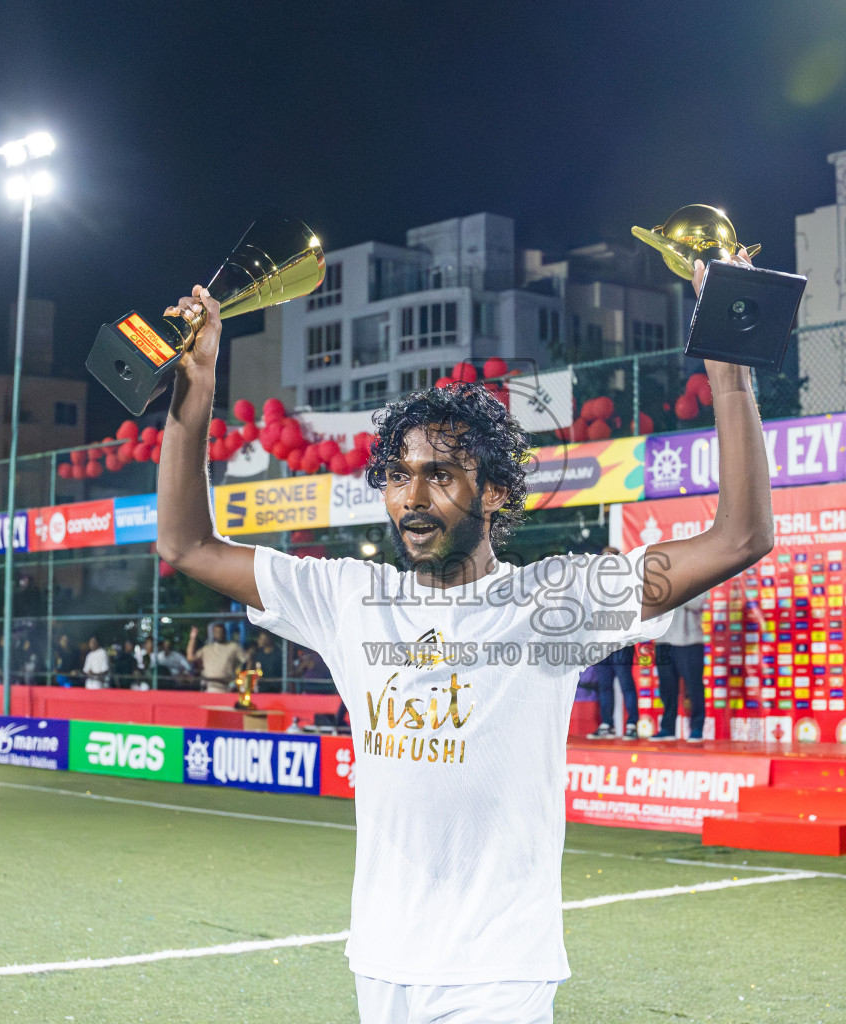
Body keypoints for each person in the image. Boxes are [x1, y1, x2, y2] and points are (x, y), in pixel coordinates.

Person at [154, 250, 772, 1023]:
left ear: (498, 491)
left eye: (441, 474)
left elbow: (740, 535)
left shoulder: (553, 601)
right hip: (380, 963)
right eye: (398, 474)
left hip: (495, 971)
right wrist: (198, 383)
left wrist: (728, 363)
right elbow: (187, 545)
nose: (412, 496)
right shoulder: (346, 596)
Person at [586, 547, 640, 740]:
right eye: (603, 560)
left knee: (625, 682)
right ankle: (606, 724)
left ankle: (632, 724)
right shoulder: (595, 584)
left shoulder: (628, 583)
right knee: (604, 685)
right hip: (601, 642)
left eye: (610, 560)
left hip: (621, 642)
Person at [654, 591, 709, 741]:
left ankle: (697, 728)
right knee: (667, 688)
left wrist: (674, 591)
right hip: (663, 642)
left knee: (694, 687)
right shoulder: (661, 581)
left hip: (689, 641)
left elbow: (696, 603)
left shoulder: (698, 580)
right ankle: (667, 728)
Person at [188, 623, 244, 694]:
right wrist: (193, 638)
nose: (219, 634)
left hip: (228, 688)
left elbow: (246, 661)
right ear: (213, 633)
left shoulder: (234, 647)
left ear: (225, 633)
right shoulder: (207, 649)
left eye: (220, 632)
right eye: (216, 632)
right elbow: (190, 658)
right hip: (209, 687)